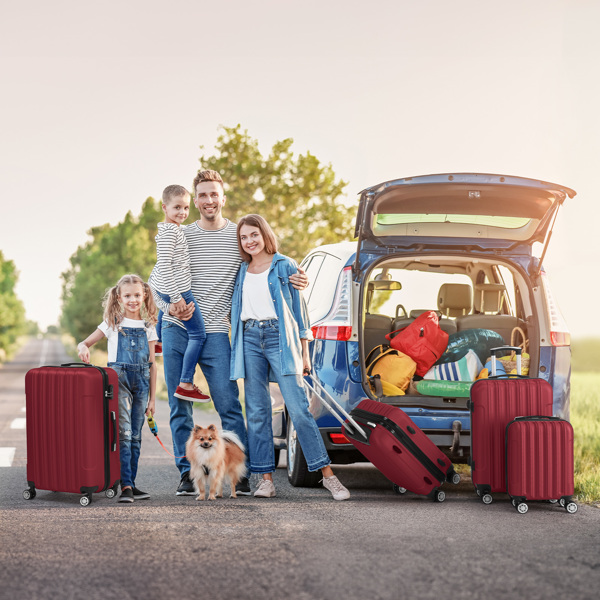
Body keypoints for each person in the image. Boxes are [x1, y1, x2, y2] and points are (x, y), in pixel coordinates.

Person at [153, 170, 308, 497]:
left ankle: (242, 471)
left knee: (229, 405)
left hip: (217, 334)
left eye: (214, 195)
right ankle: (187, 473)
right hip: (177, 330)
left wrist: (294, 275)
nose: (209, 201)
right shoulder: (181, 235)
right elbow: (157, 279)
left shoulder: (238, 236)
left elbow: (267, 262)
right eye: (202, 196)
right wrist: (168, 309)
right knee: (180, 406)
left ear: (223, 198)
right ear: (195, 201)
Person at [230, 214, 350, 501]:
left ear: (265, 234)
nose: (250, 242)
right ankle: (265, 480)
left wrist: (305, 352)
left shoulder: (285, 265)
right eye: (244, 237)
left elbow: (300, 312)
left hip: (279, 339)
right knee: (257, 414)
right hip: (248, 340)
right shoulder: (241, 270)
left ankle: (328, 476)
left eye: (254, 235)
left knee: (298, 410)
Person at [77, 274, 158, 504]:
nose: (133, 300)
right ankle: (126, 486)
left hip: (142, 384)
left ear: (144, 296)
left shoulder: (149, 326)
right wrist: (82, 347)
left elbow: (153, 366)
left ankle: (130, 481)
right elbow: (86, 342)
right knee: (124, 435)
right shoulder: (113, 323)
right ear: (119, 297)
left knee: (136, 436)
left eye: (137, 295)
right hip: (119, 383)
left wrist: (153, 399)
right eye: (128, 296)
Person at [149, 185, 209, 403]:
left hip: (171, 289)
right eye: (177, 208)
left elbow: (155, 272)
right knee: (198, 334)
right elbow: (164, 267)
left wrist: (163, 301)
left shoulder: (173, 230)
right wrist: (176, 298)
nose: (182, 213)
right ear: (164, 207)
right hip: (179, 290)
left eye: (185, 208)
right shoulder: (168, 234)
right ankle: (185, 383)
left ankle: (158, 343)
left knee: (192, 332)